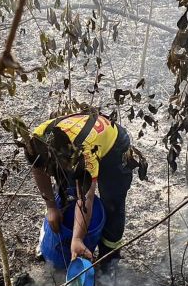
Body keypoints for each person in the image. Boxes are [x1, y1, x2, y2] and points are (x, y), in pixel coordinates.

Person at [25, 110, 146, 269]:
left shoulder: (84, 154)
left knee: (112, 204)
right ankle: (51, 244)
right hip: (74, 148)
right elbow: (38, 169)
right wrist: (51, 207)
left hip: (113, 148)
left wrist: (77, 239)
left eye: (51, 168)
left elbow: (85, 198)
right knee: (66, 193)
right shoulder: (37, 139)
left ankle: (109, 257)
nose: (48, 172)